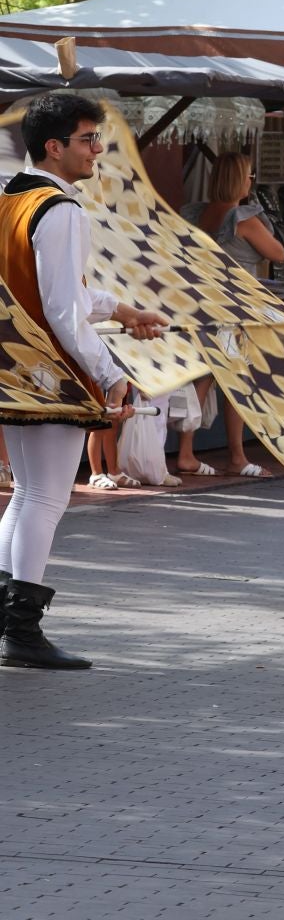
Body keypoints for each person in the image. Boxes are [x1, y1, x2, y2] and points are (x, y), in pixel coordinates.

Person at [0, 94, 167, 669]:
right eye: (88, 139)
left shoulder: (8, 197)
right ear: (55, 146)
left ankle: (11, 623)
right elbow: (62, 306)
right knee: (43, 496)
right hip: (49, 369)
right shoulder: (59, 208)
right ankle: (20, 632)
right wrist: (111, 373)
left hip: (15, 363)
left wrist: (121, 311)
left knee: (28, 493)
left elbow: (49, 293)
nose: (97, 150)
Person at [179, 151, 284, 479]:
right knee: (236, 381)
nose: (252, 181)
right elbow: (278, 254)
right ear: (239, 180)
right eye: (249, 175)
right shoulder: (243, 219)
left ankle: (186, 450)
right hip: (234, 308)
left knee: (202, 378)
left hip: (201, 305)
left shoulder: (197, 214)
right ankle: (236, 456)